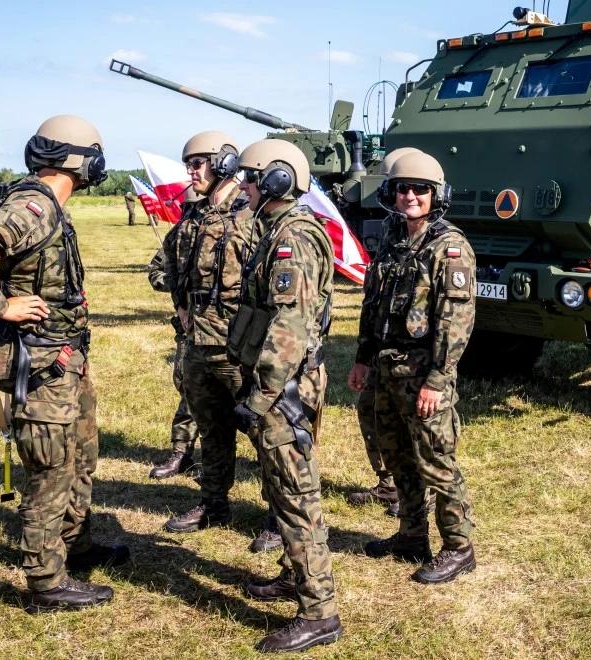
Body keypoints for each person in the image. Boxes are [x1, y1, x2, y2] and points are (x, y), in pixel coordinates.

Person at [0, 115, 129, 612]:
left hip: (63, 360)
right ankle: (46, 583)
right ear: (86, 161)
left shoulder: (47, 205)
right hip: (41, 363)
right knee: (51, 468)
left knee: (81, 457)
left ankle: (75, 547)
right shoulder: (33, 206)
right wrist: (2, 304)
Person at [228, 139, 342, 652]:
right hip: (277, 385)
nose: (243, 186)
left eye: (250, 178)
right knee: (282, 492)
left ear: (276, 180)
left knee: (297, 499)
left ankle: (319, 613)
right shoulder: (273, 230)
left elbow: (290, 325)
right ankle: (295, 578)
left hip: (283, 389)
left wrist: (261, 396)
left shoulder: (293, 237)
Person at [348, 150, 478, 584]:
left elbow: (456, 323)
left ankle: (459, 548)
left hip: (424, 376)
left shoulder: (449, 248)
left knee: (435, 461)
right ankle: (410, 534)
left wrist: (438, 382)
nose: (410, 196)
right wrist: (364, 359)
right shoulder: (391, 237)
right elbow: (373, 306)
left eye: (420, 189)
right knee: (397, 456)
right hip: (387, 370)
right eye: (402, 188)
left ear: (436, 195)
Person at [159, 131, 253, 535]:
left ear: (225, 165)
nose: (191, 171)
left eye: (199, 163)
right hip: (198, 341)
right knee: (212, 428)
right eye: (189, 164)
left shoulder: (252, 214)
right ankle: (214, 503)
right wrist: (181, 304)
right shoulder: (193, 216)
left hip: (237, 345)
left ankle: (275, 517)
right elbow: (170, 264)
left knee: (265, 431)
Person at [345, 146, 421, 516]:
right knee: (371, 411)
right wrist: (363, 356)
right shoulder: (392, 229)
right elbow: (373, 298)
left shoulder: (430, 238)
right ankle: (389, 483)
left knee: (415, 428)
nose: (400, 197)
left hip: (412, 355)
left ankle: (418, 493)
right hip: (381, 348)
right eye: (396, 189)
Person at [146, 247, 200, 479]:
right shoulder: (185, 232)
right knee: (189, 388)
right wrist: (182, 286)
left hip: (234, 327)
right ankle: (182, 452)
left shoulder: (245, 225)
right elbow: (156, 271)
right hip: (192, 329)